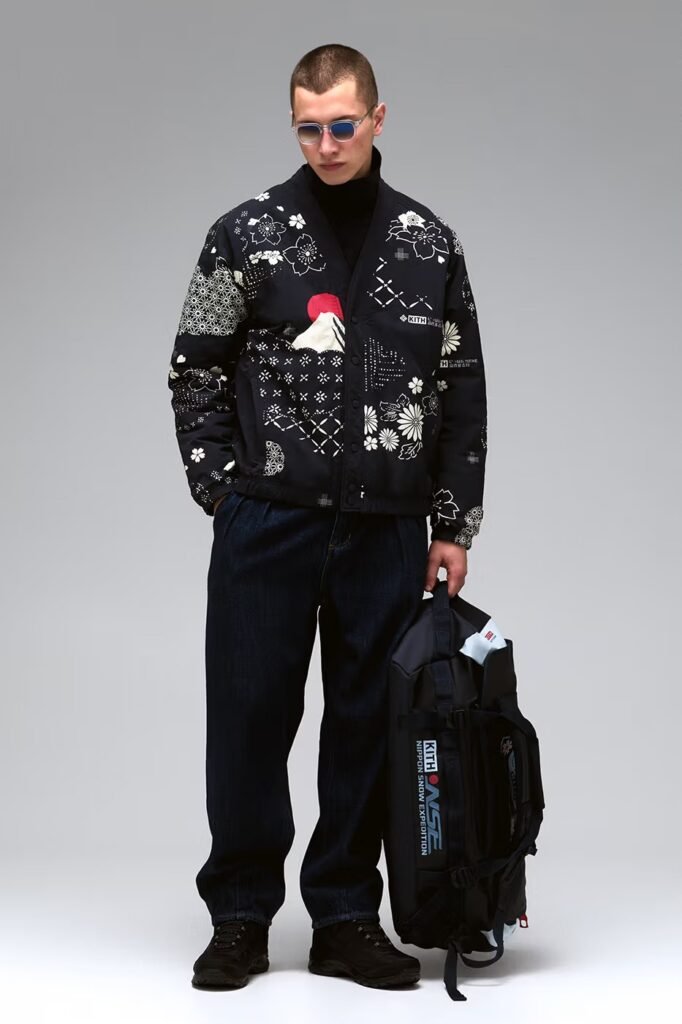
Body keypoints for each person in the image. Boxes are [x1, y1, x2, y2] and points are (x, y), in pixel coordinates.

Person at [167, 43, 487, 991]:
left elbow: (461, 390)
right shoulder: (245, 233)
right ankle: (239, 916)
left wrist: (452, 524)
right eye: (308, 128)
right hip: (268, 521)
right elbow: (194, 369)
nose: (326, 144)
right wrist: (223, 492)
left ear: (378, 119)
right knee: (248, 718)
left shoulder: (429, 243)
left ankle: (345, 916)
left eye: (343, 125)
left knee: (365, 725)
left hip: (387, 527)